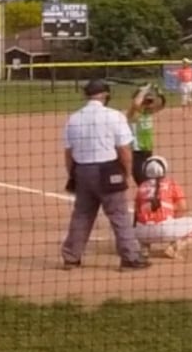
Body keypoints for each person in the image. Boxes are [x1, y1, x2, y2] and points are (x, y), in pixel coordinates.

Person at [59, 79, 148, 270]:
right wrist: (126, 173)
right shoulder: (114, 116)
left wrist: (73, 175)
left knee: (81, 215)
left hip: (82, 170)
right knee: (119, 215)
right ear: (106, 95)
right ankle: (130, 258)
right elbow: (124, 150)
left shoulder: (73, 118)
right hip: (108, 170)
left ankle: (71, 257)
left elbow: (68, 153)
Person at [133, 155, 192, 259]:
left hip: (141, 234)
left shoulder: (141, 186)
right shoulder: (172, 184)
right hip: (165, 230)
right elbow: (182, 208)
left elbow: (137, 212)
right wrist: (171, 216)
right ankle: (174, 248)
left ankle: (144, 248)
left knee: (142, 222)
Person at [126, 84, 166, 181]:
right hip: (137, 152)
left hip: (147, 151)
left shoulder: (148, 113)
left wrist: (159, 93)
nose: (149, 104)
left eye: (150, 102)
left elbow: (161, 105)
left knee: (148, 180)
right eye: (146, 101)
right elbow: (136, 103)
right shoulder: (133, 114)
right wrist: (144, 90)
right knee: (141, 179)